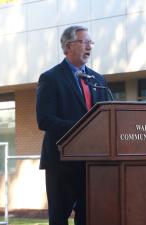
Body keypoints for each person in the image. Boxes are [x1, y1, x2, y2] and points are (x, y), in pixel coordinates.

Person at [36, 25, 110, 225]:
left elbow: (108, 116)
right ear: (68, 46)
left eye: (90, 43)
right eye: (84, 42)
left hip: (93, 163)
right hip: (61, 161)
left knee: (89, 217)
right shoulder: (51, 78)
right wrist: (83, 128)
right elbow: (44, 120)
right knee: (59, 219)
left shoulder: (98, 79)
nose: (90, 47)